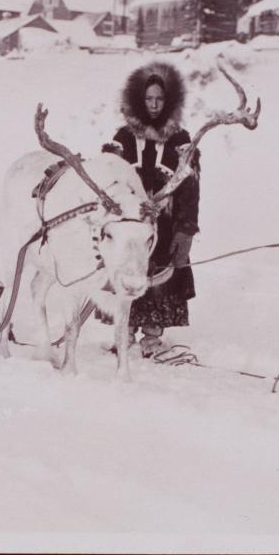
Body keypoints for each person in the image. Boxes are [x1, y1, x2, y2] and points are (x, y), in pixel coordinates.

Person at [102, 61, 200, 357]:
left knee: (160, 276)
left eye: (159, 99)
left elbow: (191, 188)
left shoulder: (181, 139)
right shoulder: (122, 137)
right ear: (139, 101)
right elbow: (108, 177)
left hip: (166, 222)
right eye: (149, 99)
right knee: (127, 268)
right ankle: (125, 331)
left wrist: (185, 229)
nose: (154, 105)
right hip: (130, 222)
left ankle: (152, 337)